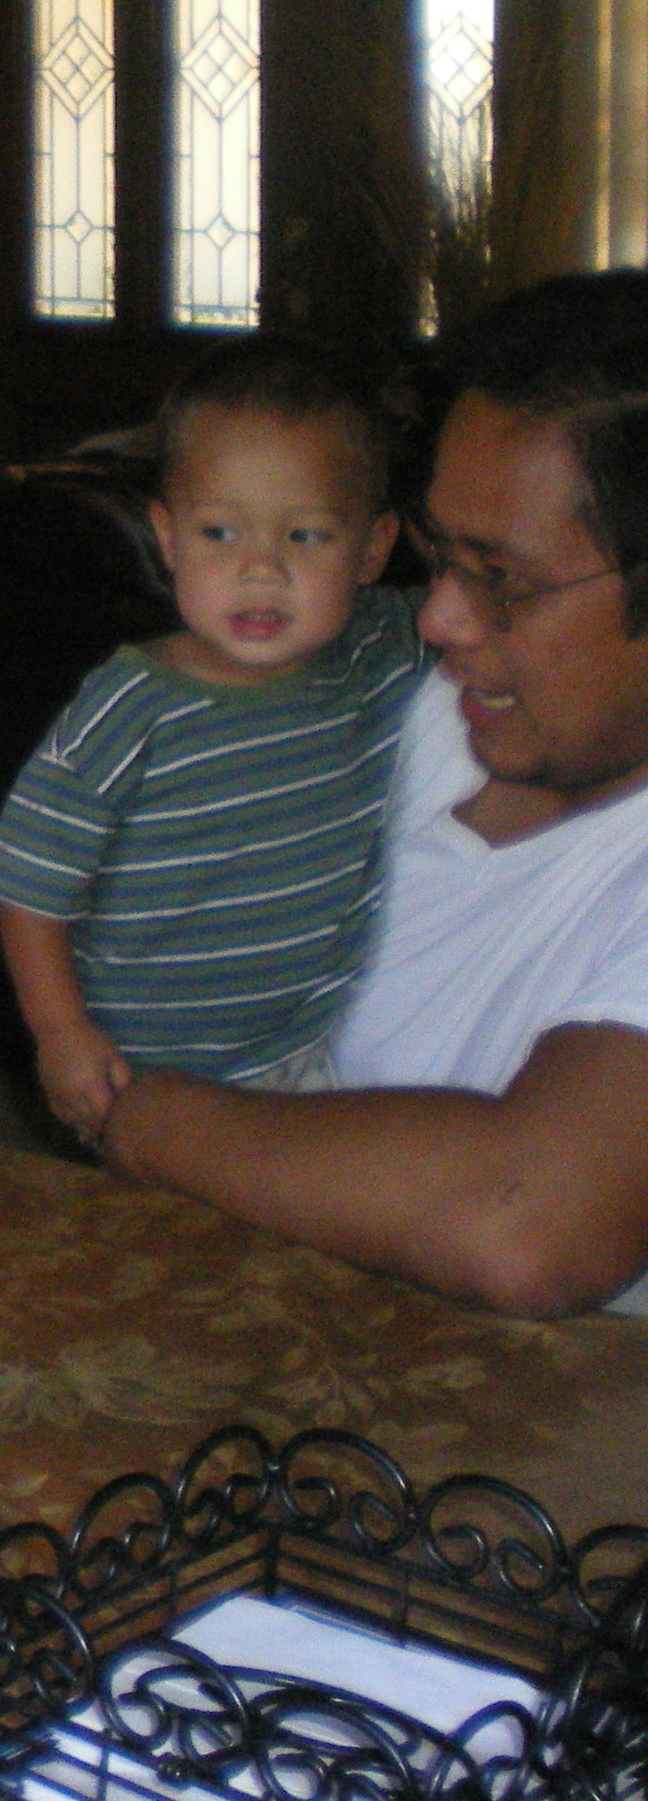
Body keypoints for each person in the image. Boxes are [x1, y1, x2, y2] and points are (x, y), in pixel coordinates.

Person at [103, 271, 648, 1319]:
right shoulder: (407, 718)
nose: (439, 618)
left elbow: (530, 1225)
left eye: (503, 579)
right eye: (442, 556)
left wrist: (152, 1123)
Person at [0, 337, 421, 1139]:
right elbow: (29, 886)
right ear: (167, 535)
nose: (261, 570)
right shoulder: (129, 708)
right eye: (220, 533)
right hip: (139, 1069)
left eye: (306, 536)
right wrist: (60, 1033)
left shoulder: (384, 649)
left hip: (311, 1052)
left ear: (373, 549)